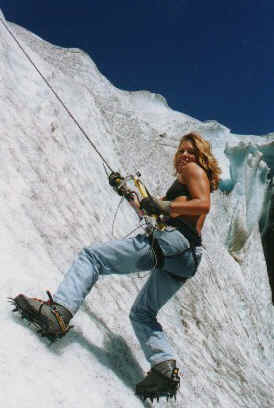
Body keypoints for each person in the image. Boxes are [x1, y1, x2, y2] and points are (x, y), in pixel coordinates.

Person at [11, 132, 221, 402]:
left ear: (201, 155)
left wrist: (163, 204)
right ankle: (164, 367)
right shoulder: (186, 181)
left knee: (92, 257)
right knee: (143, 313)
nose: (184, 155)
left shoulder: (193, 171)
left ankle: (59, 312)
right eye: (181, 151)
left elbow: (204, 205)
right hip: (186, 259)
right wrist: (127, 193)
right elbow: (152, 213)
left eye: (191, 150)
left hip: (175, 243)